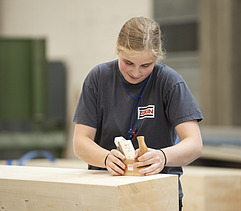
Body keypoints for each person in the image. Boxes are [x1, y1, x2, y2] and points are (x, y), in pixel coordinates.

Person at [73, 16, 203, 211]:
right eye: (128, 62)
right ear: (117, 49)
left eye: (146, 65)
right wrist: (106, 158)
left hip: (159, 195)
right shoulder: (98, 79)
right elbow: (80, 142)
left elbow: (194, 144)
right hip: (106, 193)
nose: (136, 72)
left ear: (157, 57)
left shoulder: (169, 82)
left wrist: (162, 157)